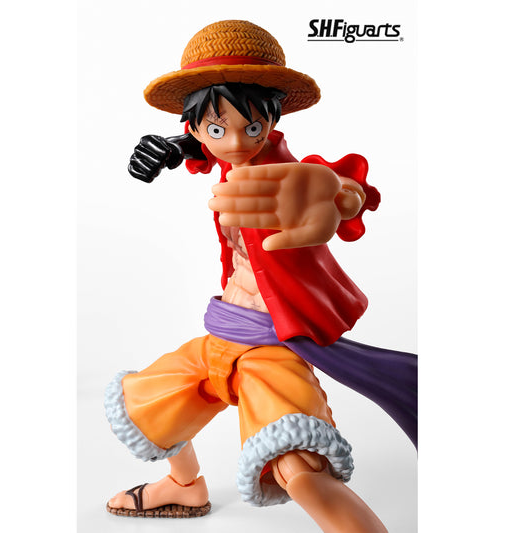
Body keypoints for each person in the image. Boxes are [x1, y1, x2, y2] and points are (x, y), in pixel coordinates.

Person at [105, 20, 415, 532]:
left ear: (272, 119)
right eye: (216, 128)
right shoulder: (220, 155)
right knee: (148, 401)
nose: (235, 143)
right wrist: (176, 147)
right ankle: (185, 486)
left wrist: (340, 196)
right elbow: (209, 147)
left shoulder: (291, 177)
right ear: (195, 127)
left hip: (272, 349)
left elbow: (340, 187)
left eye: (253, 128)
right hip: (220, 335)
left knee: (297, 466)